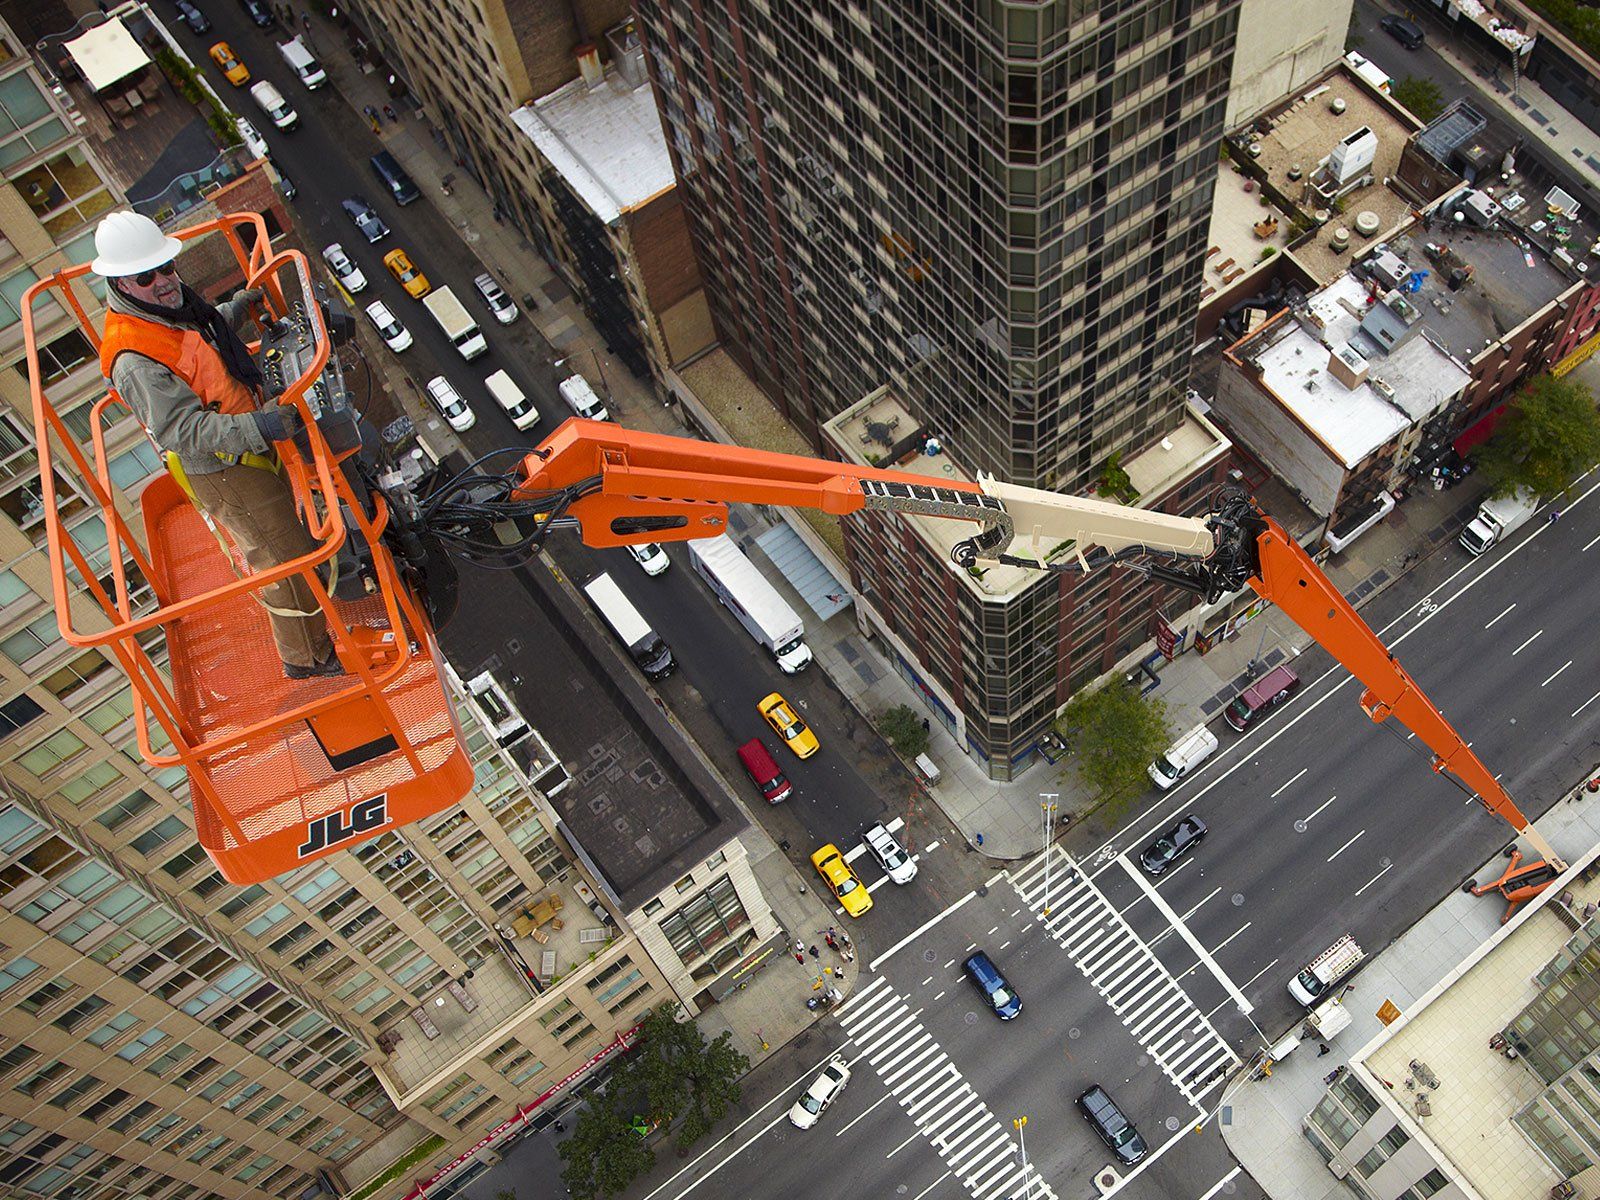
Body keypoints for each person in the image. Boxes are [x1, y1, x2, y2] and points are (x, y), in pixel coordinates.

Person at [91, 211, 340, 679]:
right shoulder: (133, 358)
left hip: (242, 437)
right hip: (224, 465)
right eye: (147, 276)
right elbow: (179, 430)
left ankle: (315, 636)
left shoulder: (170, 308)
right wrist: (260, 428)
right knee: (284, 559)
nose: (163, 280)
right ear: (122, 284)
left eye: (167, 267)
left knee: (290, 538)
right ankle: (308, 660)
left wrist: (235, 310)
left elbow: (200, 345)